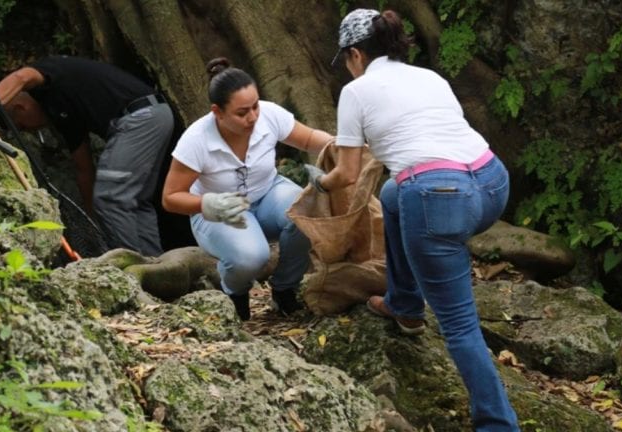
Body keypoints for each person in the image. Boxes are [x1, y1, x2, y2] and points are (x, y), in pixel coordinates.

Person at [307, 9, 519, 431]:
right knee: (391, 194)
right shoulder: (429, 77)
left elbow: (346, 173)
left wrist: (319, 183)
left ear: (354, 54)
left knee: (460, 326)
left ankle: (498, 423)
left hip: (438, 199)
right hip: (492, 183)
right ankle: (404, 304)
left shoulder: (357, 91)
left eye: (347, 61)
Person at [162, 57, 334, 321]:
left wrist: (340, 149)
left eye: (255, 107)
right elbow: (170, 197)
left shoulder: (268, 115)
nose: (253, 116)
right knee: (251, 257)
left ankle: (285, 288)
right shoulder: (197, 140)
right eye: (242, 113)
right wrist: (205, 204)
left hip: (268, 193)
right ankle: (235, 292)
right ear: (217, 112)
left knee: (307, 212)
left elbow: (309, 139)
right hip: (220, 210)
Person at [0, 55, 174, 257]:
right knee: (135, 201)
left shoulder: (51, 75)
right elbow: (83, 169)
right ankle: (156, 265)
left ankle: (135, 266)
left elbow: (20, 77)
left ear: (20, 107)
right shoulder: (64, 115)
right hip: (155, 115)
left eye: (23, 127)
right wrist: (93, 222)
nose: (32, 131)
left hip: (139, 116)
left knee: (112, 196)